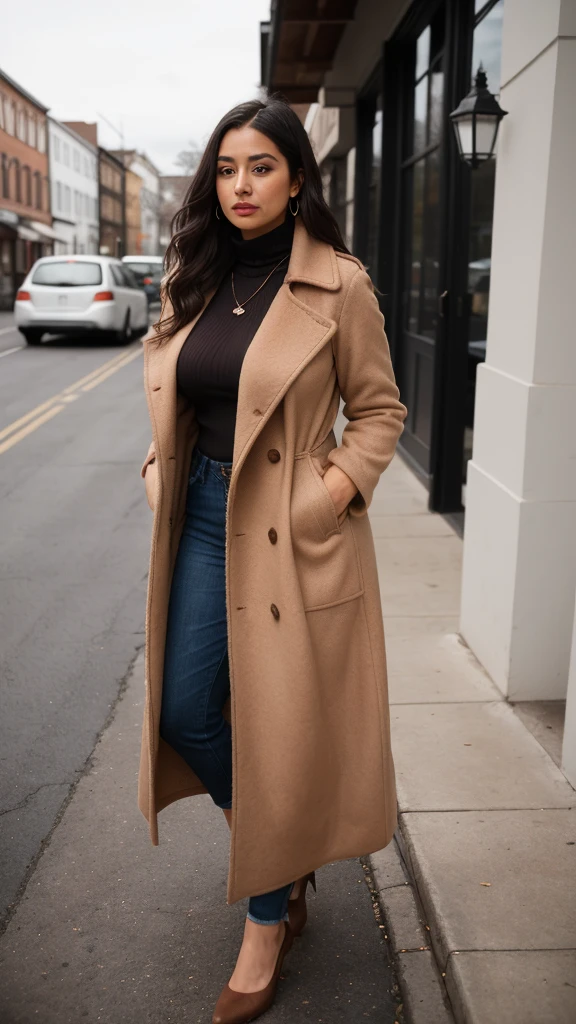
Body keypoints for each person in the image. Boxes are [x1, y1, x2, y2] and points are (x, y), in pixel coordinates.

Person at [139, 93, 407, 1024]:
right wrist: (153, 467)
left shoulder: (341, 284)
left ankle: (266, 922)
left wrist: (328, 492)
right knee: (186, 710)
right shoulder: (196, 273)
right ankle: (280, 856)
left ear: (297, 180)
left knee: (279, 725)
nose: (240, 185)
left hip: (290, 532)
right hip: (202, 518)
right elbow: (174, 395)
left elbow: (381, 413)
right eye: (225, 168)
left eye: (260, 167)